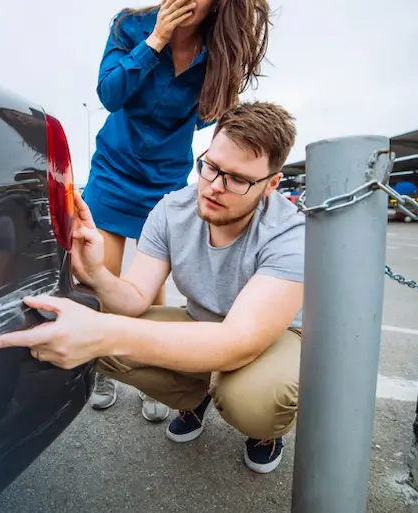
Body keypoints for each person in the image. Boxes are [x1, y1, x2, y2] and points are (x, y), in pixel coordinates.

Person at [0, 101, 304, 474]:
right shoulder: (173, 209)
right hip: (202, 322)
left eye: (237, 179)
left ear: (271, 184)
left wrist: (104, 333)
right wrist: (96, 274)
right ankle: (195, 397)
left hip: (273, 336)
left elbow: (239, 341)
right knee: (98, 326)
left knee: (253, 401)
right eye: (210, 167)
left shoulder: (290, 232)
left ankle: (265, 432)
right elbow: (134, 300)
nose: (214, 187)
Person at [82, 0, 273, 420]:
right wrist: (155, 42)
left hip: (166, 176)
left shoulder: (218, 51)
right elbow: (109, 93)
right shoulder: (131, 25)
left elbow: (210, 116)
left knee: (150, 284)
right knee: (103, 273)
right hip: (114, 168)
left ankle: (156, 368)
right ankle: (103, 366)